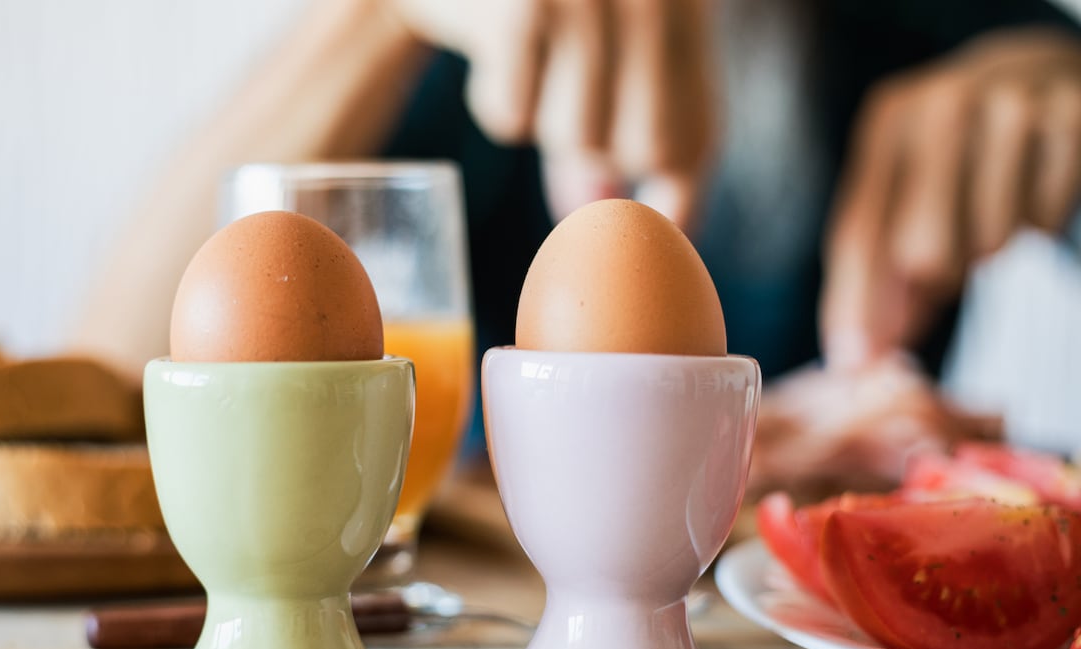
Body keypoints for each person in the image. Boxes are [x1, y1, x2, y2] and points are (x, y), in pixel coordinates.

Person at [71, 0, 1081, 490]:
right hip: (507, 609)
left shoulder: (942, 18)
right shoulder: (465, 46)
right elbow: (104, 388)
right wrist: (379, 11)